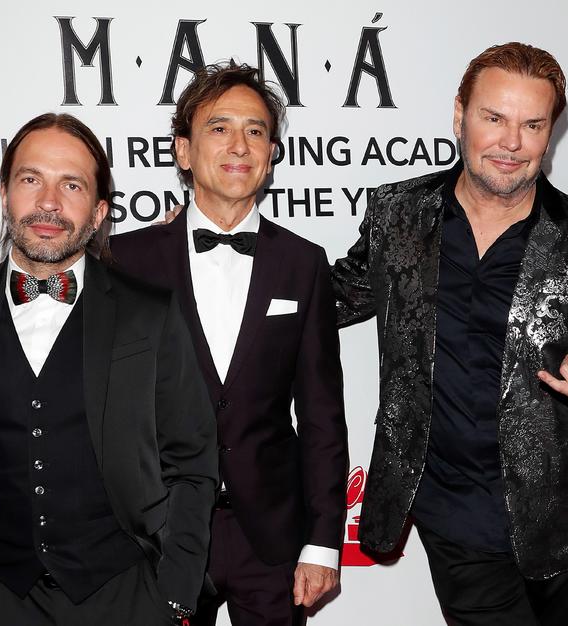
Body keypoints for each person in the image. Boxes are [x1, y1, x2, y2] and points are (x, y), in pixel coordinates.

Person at [331, 42, 568, 626]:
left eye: (532, 125)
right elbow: (331, 298)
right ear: (460, 116)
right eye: (494, 118)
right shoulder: (399, 215)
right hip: (453, 509)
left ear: (550, 134)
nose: (511, 142)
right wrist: (203, 254)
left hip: (560, 518)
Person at [0, 113, 219, 626]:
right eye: (31, 179)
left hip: (128, 598)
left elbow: (192, 462)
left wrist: (174, 597)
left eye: (71, 185)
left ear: (99, 213)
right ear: (4, 194)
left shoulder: (150, 314)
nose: (49, 202)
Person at [110, 62, 348, 626]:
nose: (239, 145)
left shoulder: (303, 263)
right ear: (183, 151)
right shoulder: (126, 262)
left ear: (271, 154)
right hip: (160, 533)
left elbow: (322, 415)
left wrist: (323, 541)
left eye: (255, 131)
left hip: (271, 536)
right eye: (219, 128)